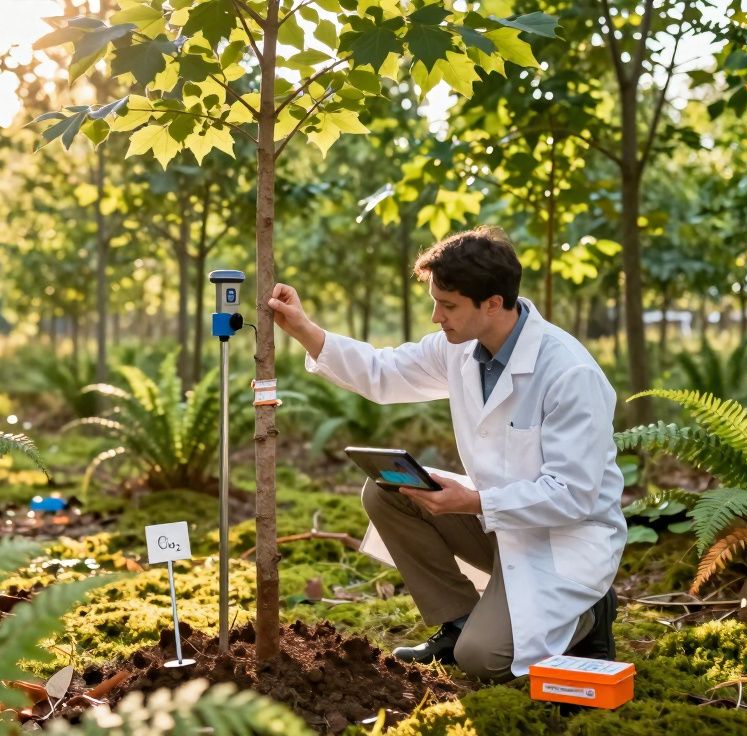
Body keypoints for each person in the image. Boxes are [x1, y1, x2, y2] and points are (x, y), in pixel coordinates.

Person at [267, 226, 626, 682]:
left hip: (563, 540)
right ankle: (458, 621)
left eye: (448, 305)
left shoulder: (569, 373)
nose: (437, 316)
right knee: (389, 490)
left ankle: (590, 611)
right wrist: (303, 328)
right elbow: (383, 372)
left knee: (483, 661)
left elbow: (573, 495)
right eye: (435, 302)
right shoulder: (460, 349)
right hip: (498, 522)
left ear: (493, 303)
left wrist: (473, 501)